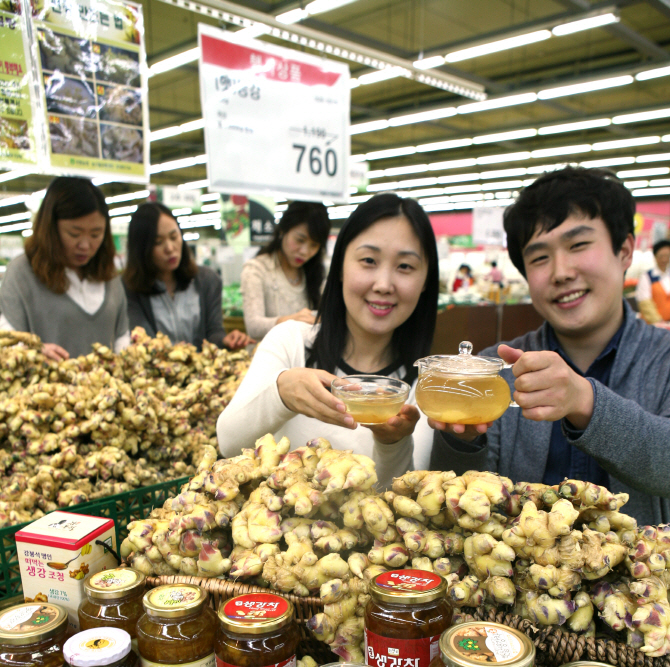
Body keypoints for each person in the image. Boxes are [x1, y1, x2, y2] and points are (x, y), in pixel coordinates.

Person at [429, 166, 670, 525]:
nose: (560, 272)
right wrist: (461, 444)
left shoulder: (663, 358)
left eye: (578, 245)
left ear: (624, 250)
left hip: (645, 577)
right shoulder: (496, 369)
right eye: (539, 257)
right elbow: (458, 509)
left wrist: (584, 401)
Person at [218, 193, 439, 488]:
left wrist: (393, 442)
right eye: (369, 260)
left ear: (426, 282)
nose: (384, 284)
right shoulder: (292, 343)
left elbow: (404, 495)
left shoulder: (424, 387)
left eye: (405, 267)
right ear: (340, 268)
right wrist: (281, 393)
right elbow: (228, 442)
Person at [0, 176, 128, 361]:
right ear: (50, 229)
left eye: (96, 234)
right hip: (44, 387)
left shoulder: (108, 274)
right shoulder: (22, 273)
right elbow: (6, 341)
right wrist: (32, 352)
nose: (85, 245)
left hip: (107, 388)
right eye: (74, 233)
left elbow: (122, 338)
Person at [123, 202, 253, 351]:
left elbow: (214, 332)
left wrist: (225, 340)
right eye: (158, 242)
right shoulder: (129, 289)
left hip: (204, 372)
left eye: (174, 236)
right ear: (141, 248)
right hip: (155, 373)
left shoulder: (207, 280)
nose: (170, 248)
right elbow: (143, 341)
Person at [240, 201, 330, 340]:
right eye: (300, 240)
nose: (305, 251)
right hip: (266, 357)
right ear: (283, 230)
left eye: (314, 245)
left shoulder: (314, 273)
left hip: (301, 359)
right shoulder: (257, 269)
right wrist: (294, 320)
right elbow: (254, 327)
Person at [636, 238, 670, 324]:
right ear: (655, 256)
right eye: (661, 256)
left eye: (667, 256)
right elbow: (645, 303)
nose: (664, 260)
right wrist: (659, 322)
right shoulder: (647, 277)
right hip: (654, 326)